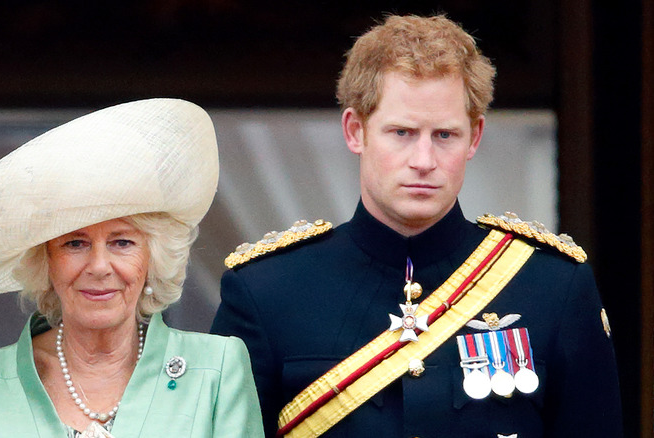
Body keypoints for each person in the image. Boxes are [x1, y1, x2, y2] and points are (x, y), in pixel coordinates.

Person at [211, 14, 623, 438]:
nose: (424, 160)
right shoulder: (266, 291)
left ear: (475, 137)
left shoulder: (554, 286)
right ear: (356, 131)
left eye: (445, 135)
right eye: (402, 132)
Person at [0, 99, 265, 437]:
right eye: (75, 243)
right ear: (45, 259)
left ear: (153, 256)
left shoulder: (217, 369)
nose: (99, 266)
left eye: (122, 242)